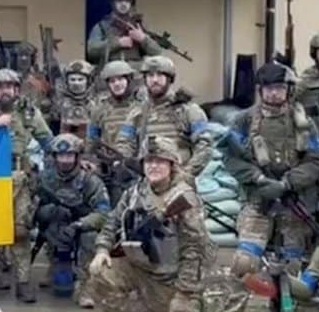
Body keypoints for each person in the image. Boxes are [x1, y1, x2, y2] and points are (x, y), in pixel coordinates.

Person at [89, 136, 210, 312]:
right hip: (137, 265)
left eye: (160, 161)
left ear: (172, 165)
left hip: (166, 277)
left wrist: (184, 293)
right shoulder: (135, 192)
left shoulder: (183, 199)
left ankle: (195, 309)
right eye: (149, 161)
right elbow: (112, 221)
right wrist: (102, 249)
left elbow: (194, 250)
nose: (153, 166)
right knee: (100, 273)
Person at [225, 63, 319, 278]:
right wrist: (259, 179)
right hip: (258, 201)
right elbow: (231, 158)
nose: (274, 93)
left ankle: (288, 311)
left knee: (294, 266)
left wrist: (287, 183)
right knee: (245, 263)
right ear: (260, 90)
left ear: (289, 90)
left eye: (280, 88)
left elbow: (317, 161)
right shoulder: (243, 121)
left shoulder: (303, 124)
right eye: (269, 88)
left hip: (295, 202)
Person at [0, 69, 52, 303]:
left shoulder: (28, 112)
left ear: (16, 89)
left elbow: (48, 140)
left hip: (19, 177)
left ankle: (24, 283)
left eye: (9, 86)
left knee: (21, 231)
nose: (5, 90)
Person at [33, 134, 109, 308]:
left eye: (70, 156)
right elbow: (34, 210)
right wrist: (49, 211)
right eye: (61, 156)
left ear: (77, 157)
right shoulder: (46, 179)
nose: (65, 160)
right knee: (60, 286)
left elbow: (103, 213)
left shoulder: (90, 180)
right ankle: (55, 262)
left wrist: (79, 224)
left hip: (82, 226)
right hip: (57, 227)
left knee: (90, 237)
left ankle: (86, 287)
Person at [115, 55, 212, 179]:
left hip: (180, 180)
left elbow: (205, 145)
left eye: (160, 75)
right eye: (150, 76)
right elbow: (124, 144)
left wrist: (188, 173)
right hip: (147, 180)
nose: (155, 80)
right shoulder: (137, 113)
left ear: (170, 79)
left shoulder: (188, 110)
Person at [88, 60, 145, 203]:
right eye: (112, 81)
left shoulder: (142, 106)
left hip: (138, 168)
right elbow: (91, 140)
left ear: (129, 80)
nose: (117, 84)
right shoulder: (100, 109)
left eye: (121, 79)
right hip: (110, 168)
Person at [86, 0, 161, 69]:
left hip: (135, 72)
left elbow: (157, 52)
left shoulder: (139, 25)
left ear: (131, 4)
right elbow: (91, 51)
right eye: (119, 1)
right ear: (113, 3)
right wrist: (117, 43)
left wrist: (143, 39)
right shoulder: (102, 26)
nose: (123, 4)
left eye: (127, 1)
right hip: (111, 72)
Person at [52, 60, 95, 139]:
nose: (76, 83)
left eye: (80, 79)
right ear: (67, 82)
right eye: (72, 79)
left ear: (88, 81)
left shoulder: (97, 102)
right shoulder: (59, 103)